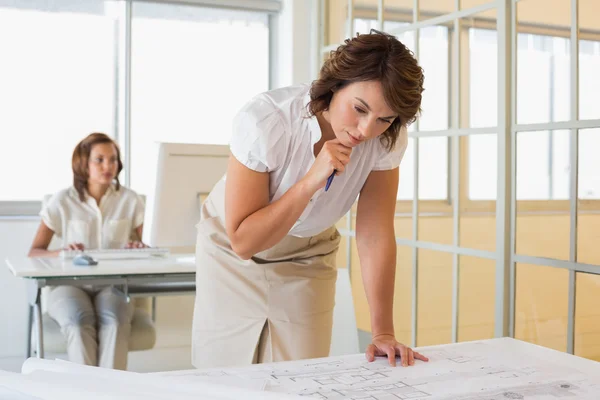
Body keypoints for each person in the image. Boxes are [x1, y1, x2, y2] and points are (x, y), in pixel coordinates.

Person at [192, 30, 429, 369]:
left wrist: (383, 333)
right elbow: (244, 242)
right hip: (231, 249)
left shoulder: (387, 139)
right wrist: (309, 182)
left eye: (384, 118)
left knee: (300, 373)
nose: (365, 130)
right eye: (359, 109)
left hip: (308, 253)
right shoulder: (267, 119)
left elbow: (374, 233)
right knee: (223, 373)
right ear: (335, 85)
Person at [28, 132, 146, 370]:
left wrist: (139, 248)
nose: (108, 166)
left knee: (115, 321)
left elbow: (150, 249)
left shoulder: (131, 201)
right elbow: (35, 252)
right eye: (99, 160)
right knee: (78, 321)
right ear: (83, 163)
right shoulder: (62, 201)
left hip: (114, 284)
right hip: (67, 284)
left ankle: (110, 393)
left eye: (113, 159)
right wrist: (62, 252)